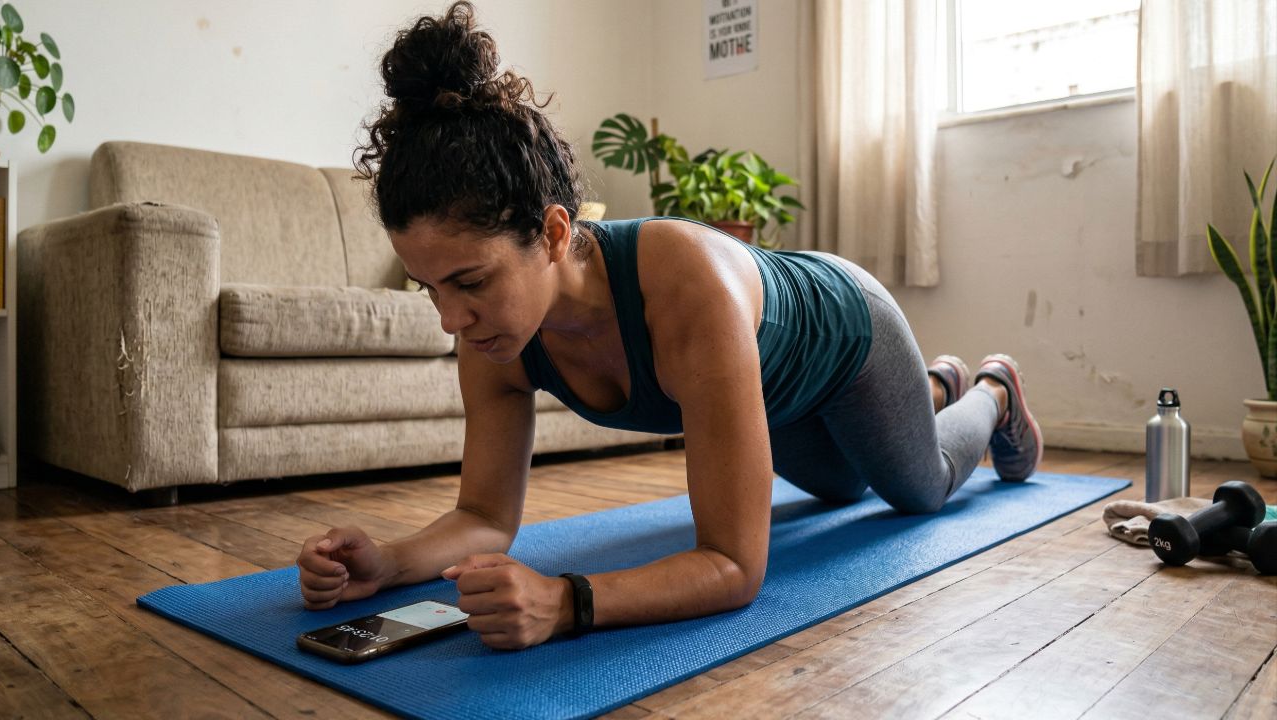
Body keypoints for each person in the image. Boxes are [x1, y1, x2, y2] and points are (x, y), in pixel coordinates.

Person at [296, 1, 1041, 651]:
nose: (451, 320)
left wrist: (567, 602)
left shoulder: (685, 287)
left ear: (555, 234)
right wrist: (389, 563)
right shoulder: (493, 334)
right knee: (844, 491)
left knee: (921, 489)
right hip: (779, 391)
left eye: (470, 282)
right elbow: (484, 516)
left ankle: (987, 391)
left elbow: (733, 566)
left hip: (848, 335)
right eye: (429, 289)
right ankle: (930, 390)